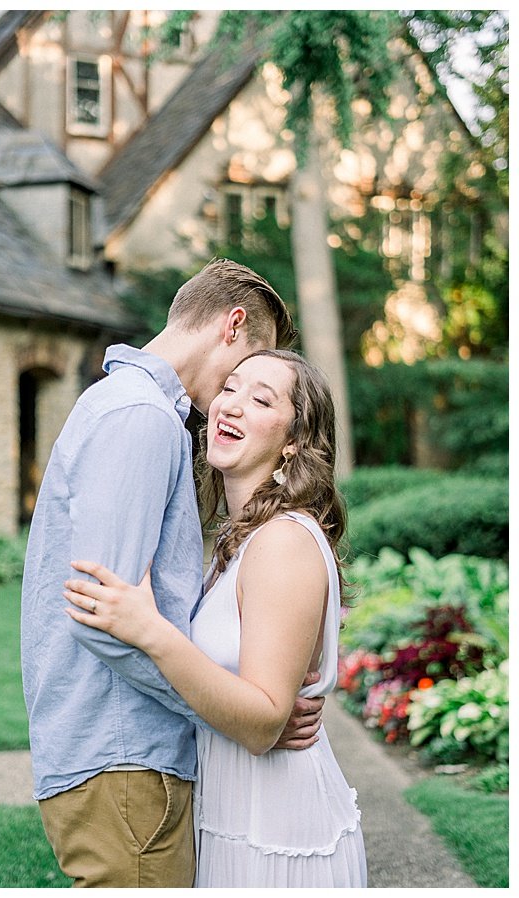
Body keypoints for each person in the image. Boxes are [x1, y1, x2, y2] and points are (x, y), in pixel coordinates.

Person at [20, 259, 318, 888]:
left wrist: (247, 702)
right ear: (233, 325)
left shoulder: (128, 407)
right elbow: (105, 620)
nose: (234, 398)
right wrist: (238, 715)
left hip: (122, 761)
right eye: (245, 371)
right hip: (124, 760)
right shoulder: (141, 416)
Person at [64, 349, 368, 887]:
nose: (231, 406)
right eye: (230, 388)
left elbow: (263, 722)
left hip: (278, 830)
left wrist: (151, 631)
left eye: (261, 399)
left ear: (294, 440)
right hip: (232, 814)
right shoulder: (239, 540)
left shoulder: (283, 542)